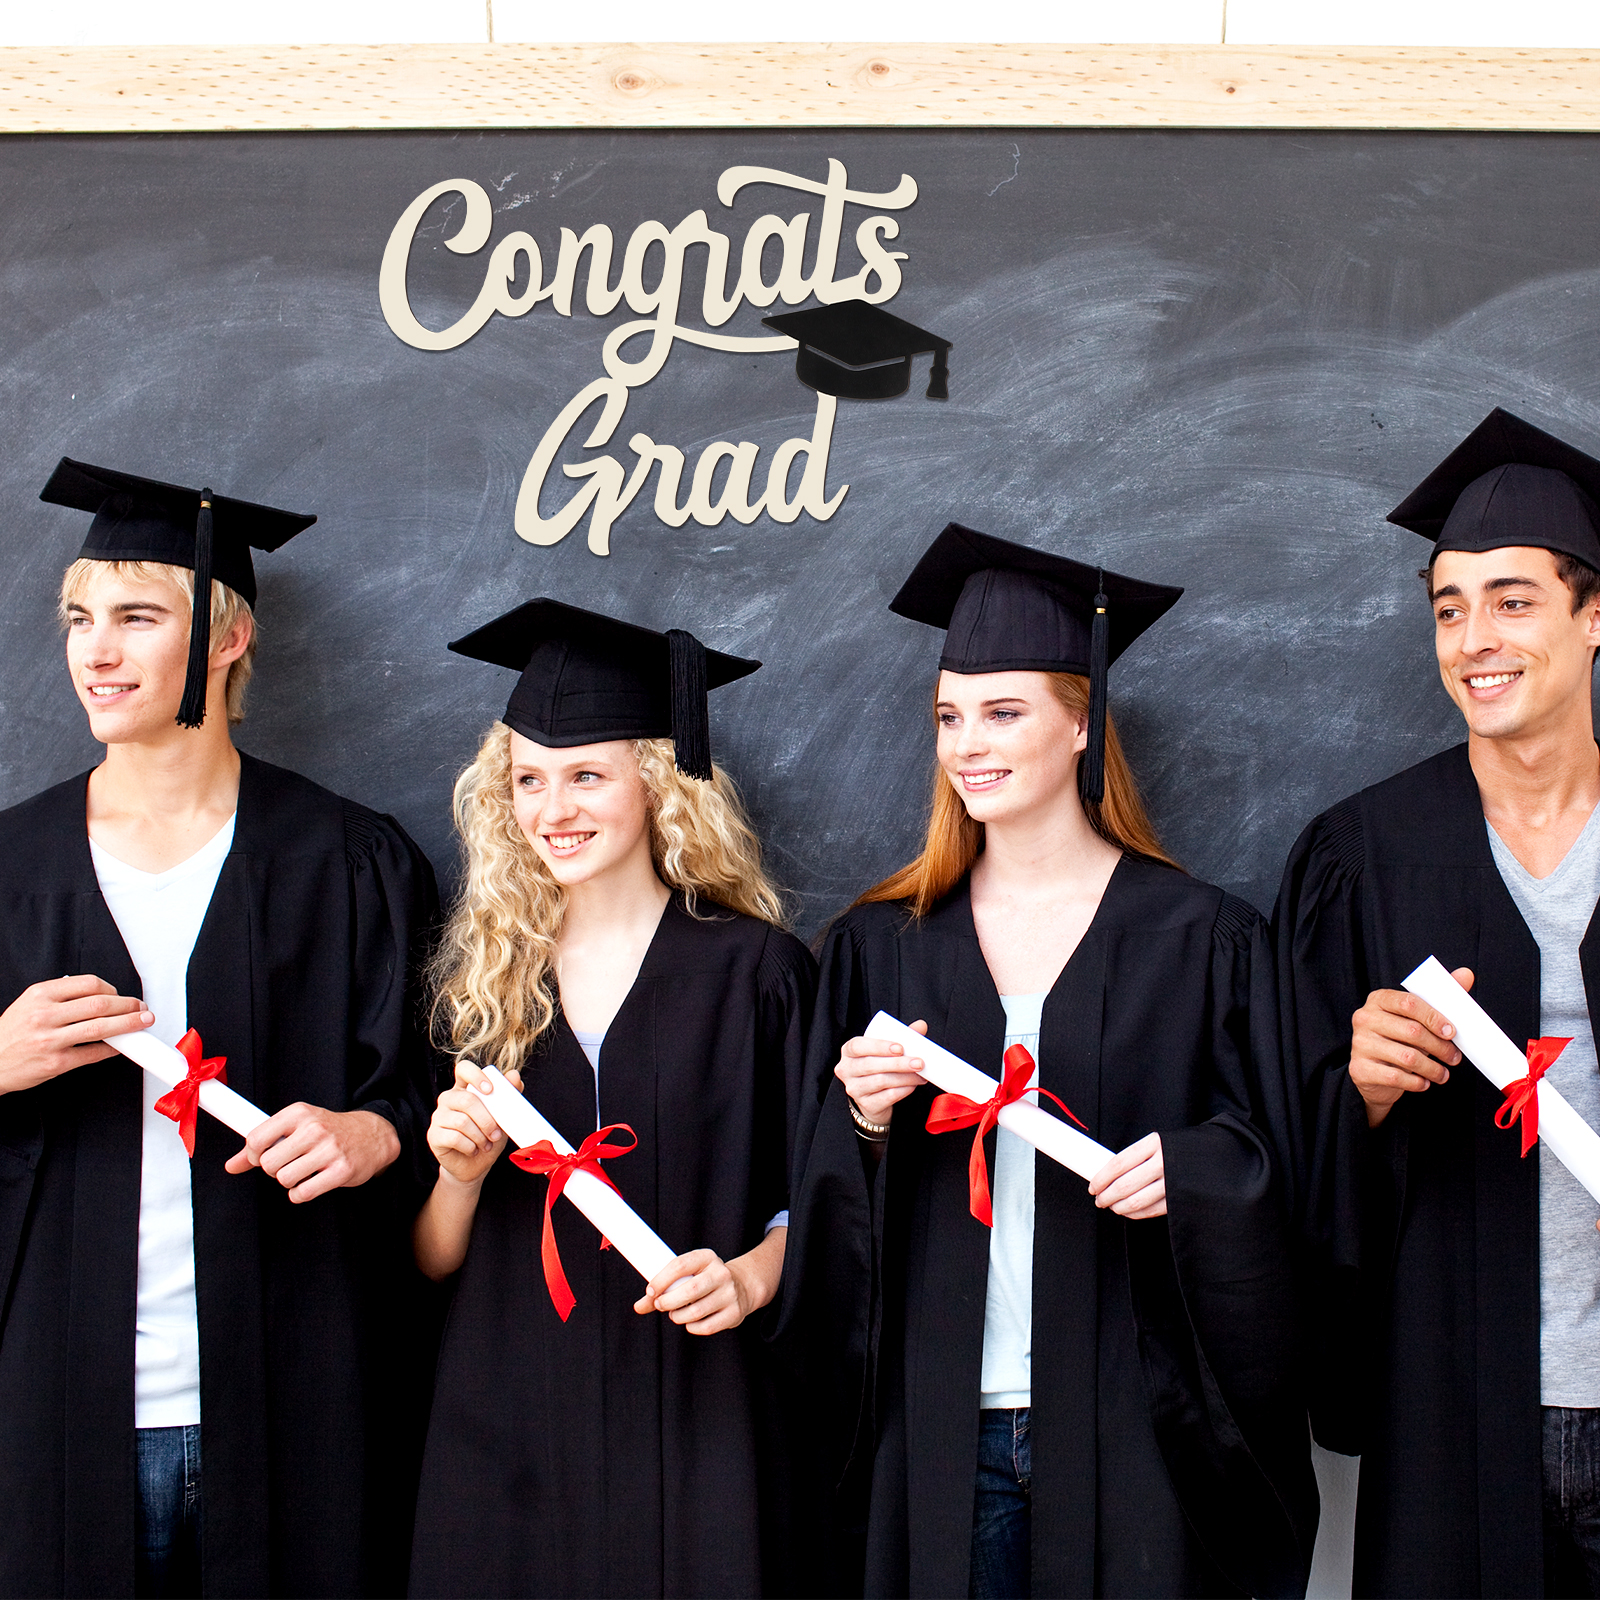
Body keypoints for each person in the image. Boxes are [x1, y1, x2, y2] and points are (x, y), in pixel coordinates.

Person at [781, 524, 1317, 1600]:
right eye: (949, 716)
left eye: (1003, 712)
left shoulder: (1202, 939)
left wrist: (1194, 1170)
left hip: (1136, 1426)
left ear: (1080, 722)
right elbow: (822, 1215)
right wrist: (866, 1122)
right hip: (939, 1425)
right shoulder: (880, 946)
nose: (967, 743)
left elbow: (1282, 1163)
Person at [0, 459, 440, 1599]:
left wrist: (374, 1134)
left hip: (301, 1400)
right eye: (80, 619)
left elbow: (437, 1097)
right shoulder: (8, 869)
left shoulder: (350, 860)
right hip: (47, 1410)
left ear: (227, 637)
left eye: (137, 617)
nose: (96, 652)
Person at [407, 598, 817, 1599]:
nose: (554, 808)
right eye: (529, 779)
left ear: (658, 782)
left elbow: (822, 1198)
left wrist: (751, 1277)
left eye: (587, 774)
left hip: (703, 1413)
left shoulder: (756, 974)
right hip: (510, 1425)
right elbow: (430, 1259)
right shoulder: (485, 988)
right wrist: (459, 1175)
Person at [1276, 408, 1600, 1597]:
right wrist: (1355, 1093)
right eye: (1449, 608)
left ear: (1594, 616)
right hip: (1448, 1406)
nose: (1475, 639)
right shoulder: (1360, 856)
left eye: (1512, 600)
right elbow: (1278, 1150)